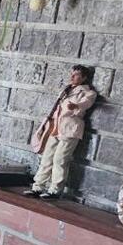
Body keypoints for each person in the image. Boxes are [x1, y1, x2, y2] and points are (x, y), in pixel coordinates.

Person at [30, 65, 98, 199]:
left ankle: (55, 190)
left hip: (70, 129)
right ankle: (38, 186)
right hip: (55, 127)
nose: (72, 77)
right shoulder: (66, 90)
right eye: (72, 74)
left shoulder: (88, 92)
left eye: (76, 75)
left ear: (84, 77)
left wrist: (76, 106)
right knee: (47, 157)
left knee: (60, 159)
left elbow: (86, 103)